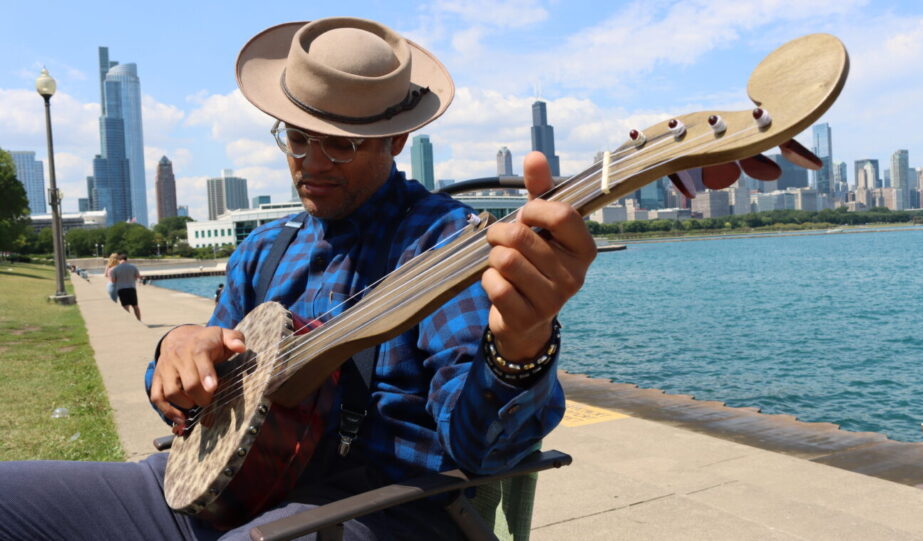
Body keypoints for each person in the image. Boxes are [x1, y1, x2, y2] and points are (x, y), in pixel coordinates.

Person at [0, 17, 595, 540]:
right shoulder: (264, 247)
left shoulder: (444, 246)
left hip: (380, 508)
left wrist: (519, 350)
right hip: (231, 489)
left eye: (340, 145)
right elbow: (201, 391)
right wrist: (174, 355)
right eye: (298, 137)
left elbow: (487, 453)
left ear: (396, 139)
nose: (310, 161)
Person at [110, 253, 142, 321]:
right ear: (126, 259)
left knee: (125, 306)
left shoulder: (115, 269)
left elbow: (113, 281)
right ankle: (139, 320)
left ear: (119, 260)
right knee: (135, 306)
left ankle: (130, 321)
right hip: (131, 288)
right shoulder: (133, 267)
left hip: (121, 289)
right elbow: (138, 276)